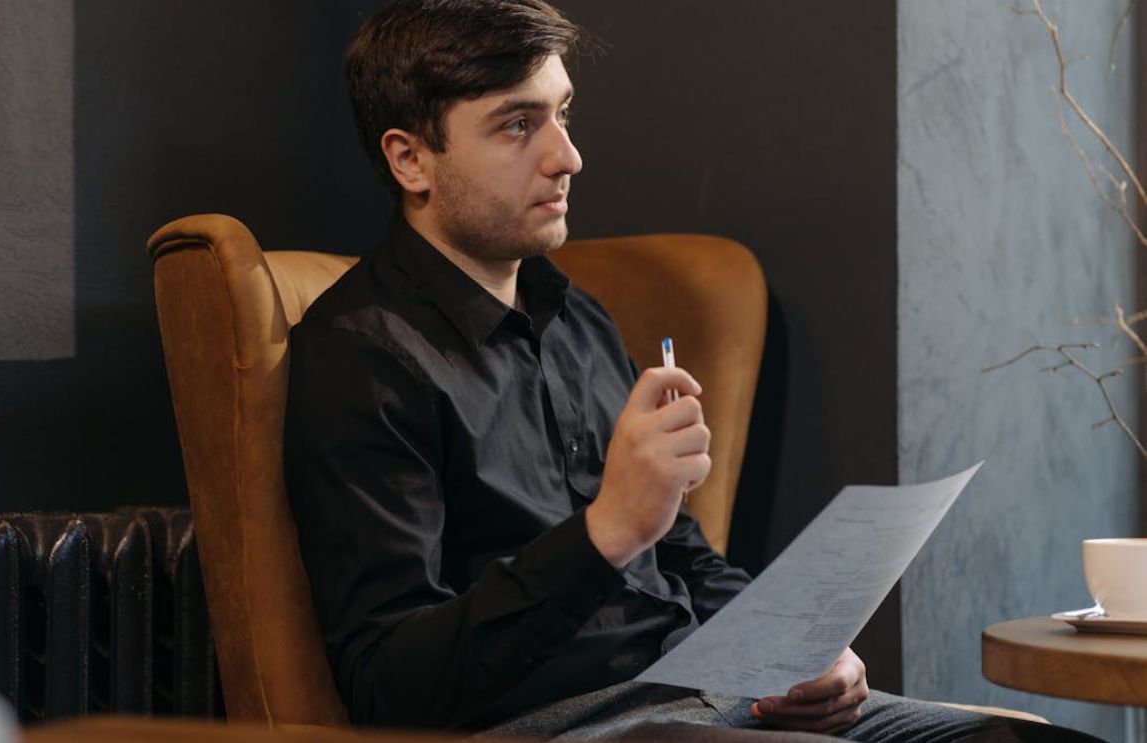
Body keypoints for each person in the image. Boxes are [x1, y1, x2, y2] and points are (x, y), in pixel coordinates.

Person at [284, 2, 1096, 741]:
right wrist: (605, 532)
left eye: (562, 113)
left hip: (710, 697)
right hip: (575, 723)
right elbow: (390, 686)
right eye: (517, 125)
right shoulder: (363, 354)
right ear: (411, 159)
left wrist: (799, 650)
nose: (567, 155)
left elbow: (679, 551)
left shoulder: (577, 319)